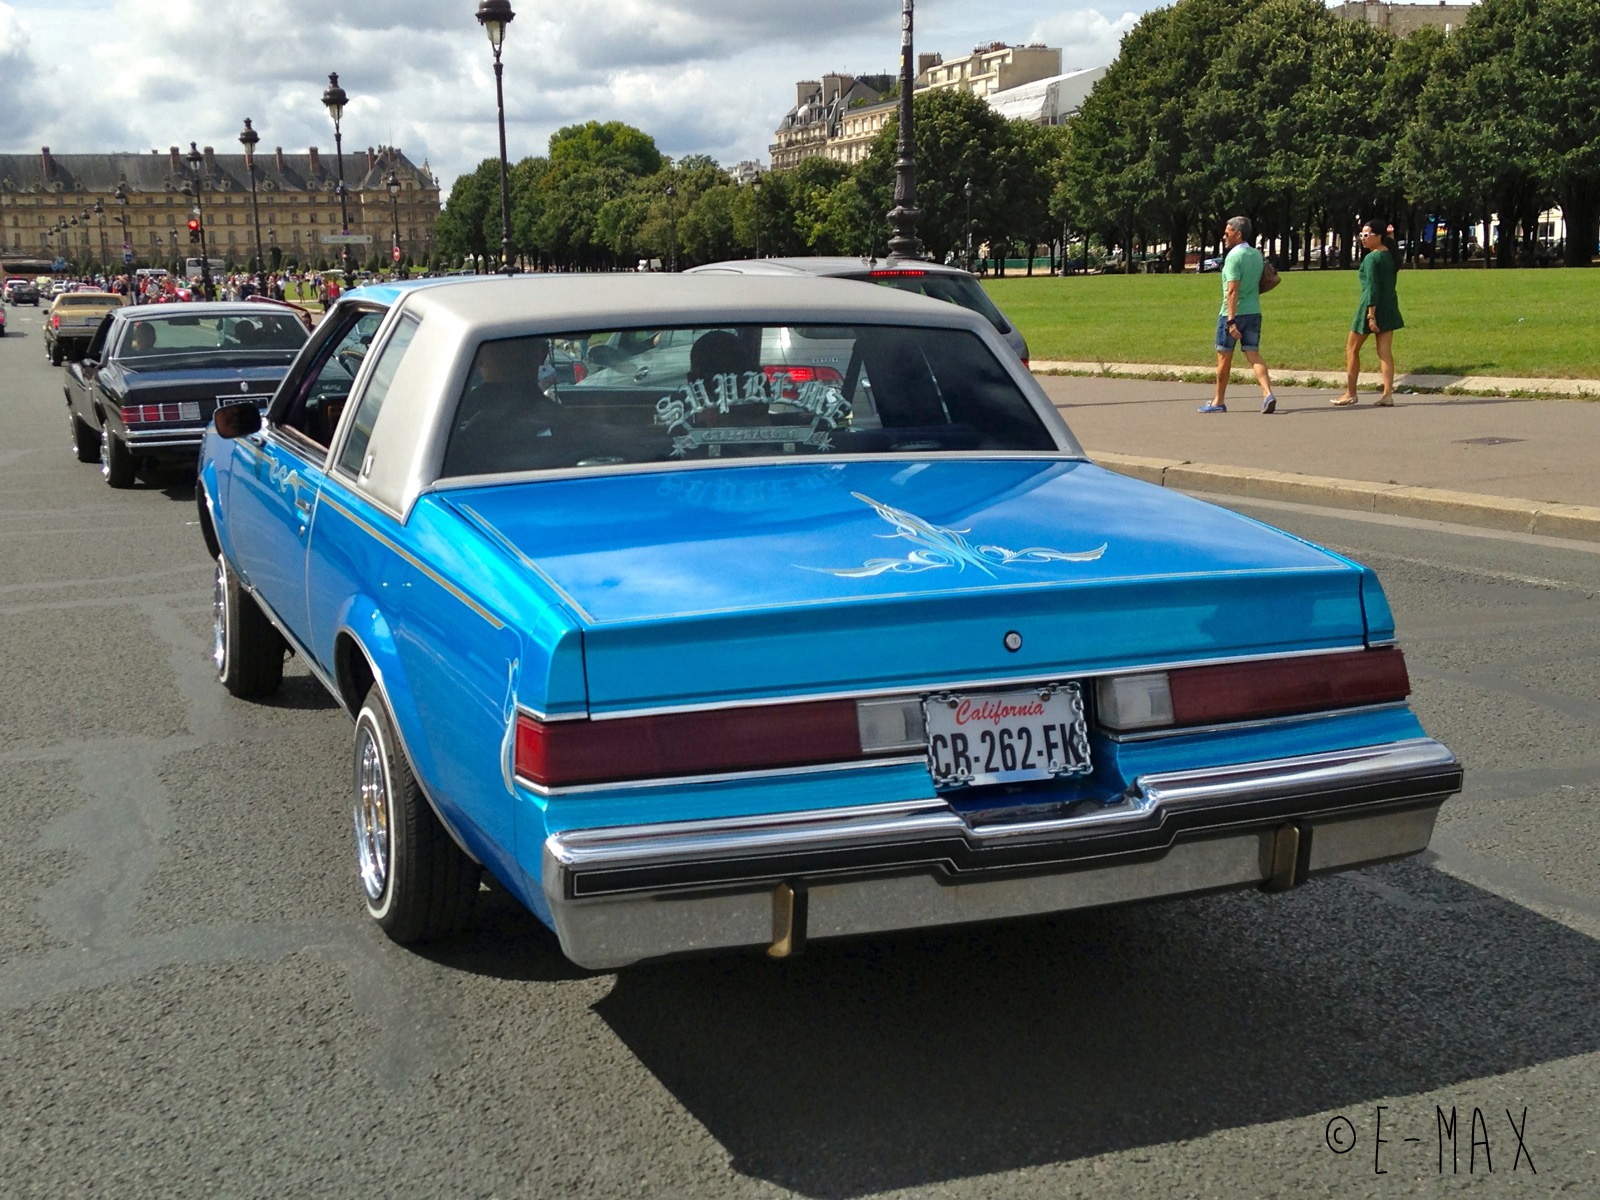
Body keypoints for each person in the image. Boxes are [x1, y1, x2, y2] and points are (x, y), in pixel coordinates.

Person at [1199, 215, 1277, 415]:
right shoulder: (1256, 255)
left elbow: (1232, 290)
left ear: (1238, 234)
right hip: (1254, 311)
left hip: (1232, 312)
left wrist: (1231, 320)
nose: (1224, 236)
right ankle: (1267, 393)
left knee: (1224, 357)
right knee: (1253, 354)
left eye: (1228, 233)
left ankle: (1218, 401)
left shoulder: (1234, 257)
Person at [1331, 220, 1404, 406]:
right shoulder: (1391, 255)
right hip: (1389, 306)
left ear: (1378, 236)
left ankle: (1350, 393)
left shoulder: (1372, 258)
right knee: (1385, 352)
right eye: (1361, 235)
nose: (1362, 238)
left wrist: (1371, 315)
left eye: (1366, 235)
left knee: (1352, 349)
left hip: (1370, 307)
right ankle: (1387, 395)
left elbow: (1372, 287)